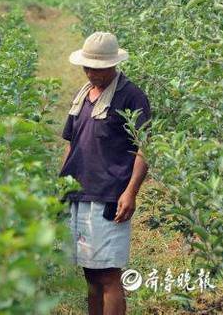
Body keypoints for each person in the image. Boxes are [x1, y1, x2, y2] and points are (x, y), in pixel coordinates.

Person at [60, 32, 151, 315]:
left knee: (109, 273)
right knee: (89, 272)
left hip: (110, 195)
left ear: (114, 65)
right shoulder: (83, 95)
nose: (92, 73)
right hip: (80, 192)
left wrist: (130, 192)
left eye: (99, 68)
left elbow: (144, 149)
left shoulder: (131, 96)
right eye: (88, 68)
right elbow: (71, 144)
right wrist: (62, 184)